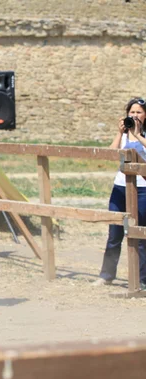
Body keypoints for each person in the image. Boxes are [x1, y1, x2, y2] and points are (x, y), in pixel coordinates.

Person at [93, 97, 146, 288]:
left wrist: (139, 135)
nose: (134, 115)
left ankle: (142, 279)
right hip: (120, 187)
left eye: (138, 112)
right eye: (131, 112)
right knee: (114, 232)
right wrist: (119, 133)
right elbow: (109, 154)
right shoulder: (123, 134)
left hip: (142, 188)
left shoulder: (143, 135)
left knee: (139, 234)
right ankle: (106, 275)